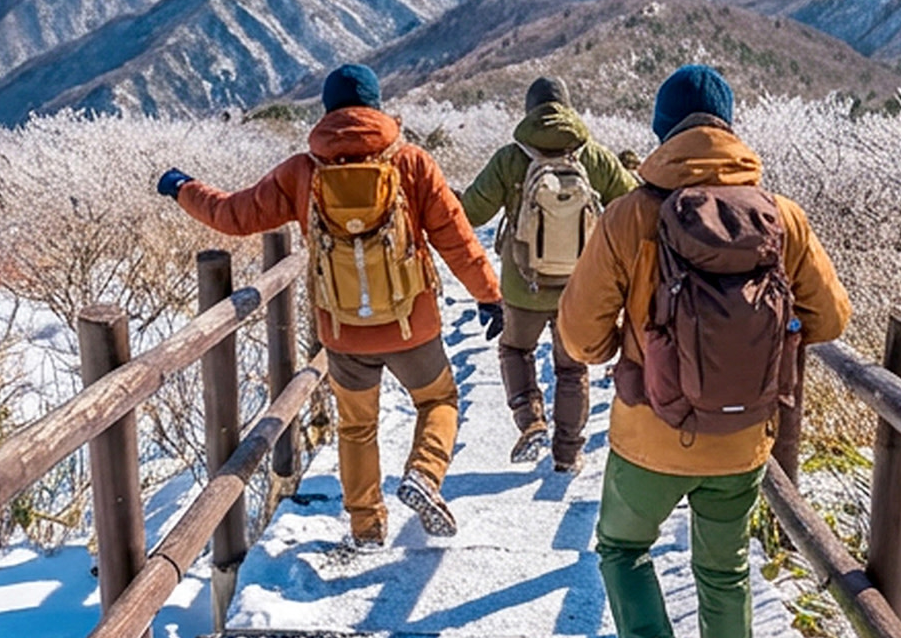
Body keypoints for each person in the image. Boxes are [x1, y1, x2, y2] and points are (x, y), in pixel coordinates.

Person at [559, 65, 852, 638]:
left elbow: (581, 339)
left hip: (651, 430)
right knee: (725, 571)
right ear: (730, 127)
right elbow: (832, 318)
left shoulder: (631, 216)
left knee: (621, 549)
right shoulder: (780, 218)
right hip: (742, 437)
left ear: (662, 130)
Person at [157, 63, 502, 548]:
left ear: (328, 112)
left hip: (343, 330)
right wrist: (489, 295)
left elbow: (233, 216)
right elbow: (456, 238)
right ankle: (424, 473)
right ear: (377, 107)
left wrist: (183, 187)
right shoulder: (411, 163)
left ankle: (366, 526)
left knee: (357, 426)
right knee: (438, 400)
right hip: (411, 325)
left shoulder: (303, 171)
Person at [455, 76, 636, 470]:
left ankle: (530, 420)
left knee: (515, 350)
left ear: (529, 111)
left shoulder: (510, 158)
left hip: (524, 285)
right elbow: (633, 205)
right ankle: (568, 454)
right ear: (568, 109)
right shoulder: (595, 157)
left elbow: (470, 214)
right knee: (571, 368)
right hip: (580, 285)